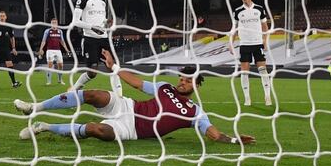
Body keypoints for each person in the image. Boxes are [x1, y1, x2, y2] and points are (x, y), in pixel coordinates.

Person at [14, 49, 255, 145]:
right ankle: (34, 107)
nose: (182, 81)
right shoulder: (164, 87)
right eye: (182, 77)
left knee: (98, 131)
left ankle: (43, 126)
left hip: (131, 129)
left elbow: (212, 134)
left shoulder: (195, 112)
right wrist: (115, 68)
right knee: (93, 94)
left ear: (197, 86)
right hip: (127, 105)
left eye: (188, 80)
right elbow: (138, 83)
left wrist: (234, 140)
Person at [229, 0, 272, 106]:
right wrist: (230, 43)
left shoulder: (259, 9)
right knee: (244, 72)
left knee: (263, 70)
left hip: (257, 43)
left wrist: (265, 41)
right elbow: (234, 29)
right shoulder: (237, 11)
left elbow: (265, 27)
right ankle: (247, 98)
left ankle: (267, 96)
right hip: (244, 45)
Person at [70, 0, 112, 91]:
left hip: (104, 38)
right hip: (90, 39)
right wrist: (92, 28)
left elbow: (101, 20)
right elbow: (75, 22)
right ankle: (74, 90)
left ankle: (119, 96)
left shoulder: (103, 1)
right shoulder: (82, 1)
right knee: (93, 71)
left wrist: (106, 21)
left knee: (112, 67)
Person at [0, 10, 21, 89]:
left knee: (10, 64)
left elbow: (12, 38)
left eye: (3, 16)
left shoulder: (9, 26)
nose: (2, 17)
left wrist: (13, 48)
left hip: (6, 49)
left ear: (6, 17)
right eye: (0, 16)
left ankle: (13, 83)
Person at [36, 18, 70, 85]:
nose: (54, 23)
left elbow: (62, 41)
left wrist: (66, 49)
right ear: (51, 24)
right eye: (53, 22)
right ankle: (49, 81)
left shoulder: (60, 31)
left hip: (58, 50)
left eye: (55, 22)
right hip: (50, 50)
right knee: (50, 65)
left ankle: (60, 80)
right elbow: (44, 41)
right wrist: (40, 49)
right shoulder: (47, 31)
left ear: (57, 24)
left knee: (61, 65)